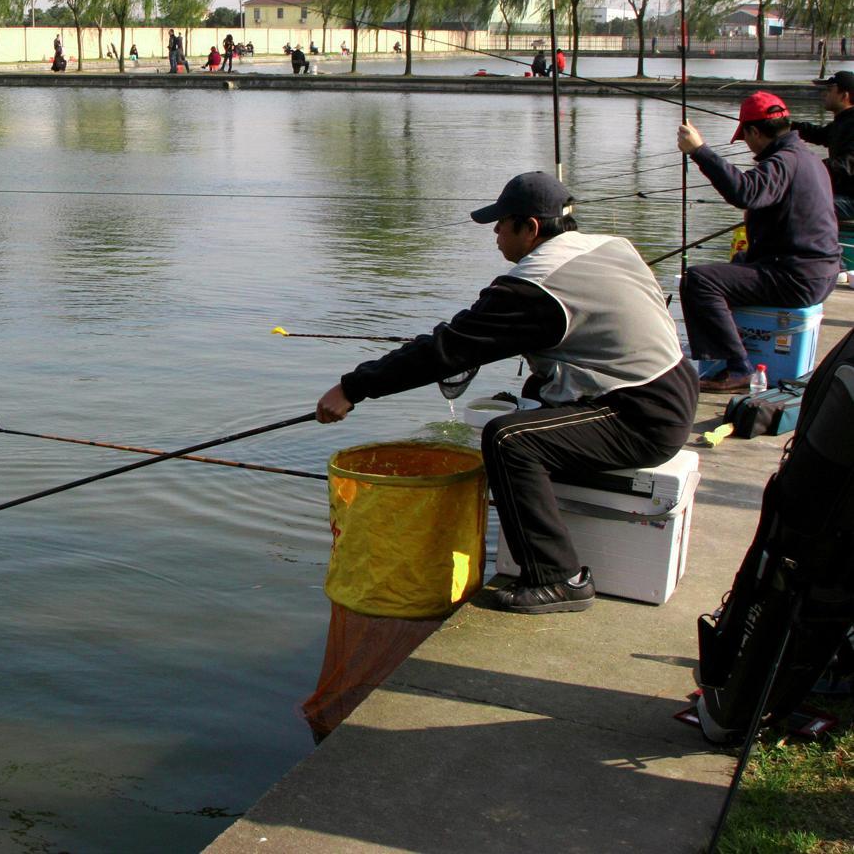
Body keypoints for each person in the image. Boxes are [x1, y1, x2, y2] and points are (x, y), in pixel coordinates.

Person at [315, 172, 698, 613]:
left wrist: (352, 388)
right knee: (528, 403)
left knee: (508, 440)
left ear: (530, 228)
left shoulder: (534, 285)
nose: (495, 233)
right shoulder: (611, 246)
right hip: (674, 385)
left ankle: (559, 578)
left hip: (642, 416)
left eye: (501, 224)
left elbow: (444, 351)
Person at [677, 92, 841, 392]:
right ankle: (733, 351)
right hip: (820, 272)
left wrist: (700, 151)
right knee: (736, 266)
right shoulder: (809, 159)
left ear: (754, 131)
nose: (748, 145)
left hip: (797, 277)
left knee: (698, 281)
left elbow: (745, 192)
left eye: (746, 136)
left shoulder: (783, 161)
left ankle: (737, 367)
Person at [791, 70, 854, 221]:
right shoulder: (844, 121)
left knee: (799, 203)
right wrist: (786, 126)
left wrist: (806, 169)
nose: (824, 94)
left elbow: (846, 164)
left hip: (851, 200)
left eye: (829, 90)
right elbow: (819, 134)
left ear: (844, 96)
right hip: (842, 193)